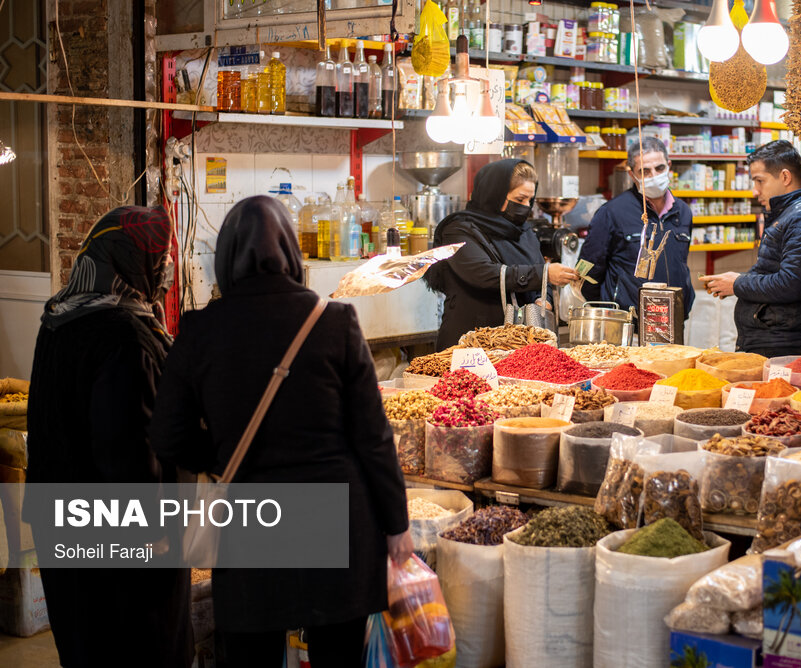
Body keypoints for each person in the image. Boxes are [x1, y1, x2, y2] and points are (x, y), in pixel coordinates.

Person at [149, 196, 413, 668]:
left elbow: (168, 435)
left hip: (254, 517)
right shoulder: (334, 320)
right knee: (338, 656)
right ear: (291, 251)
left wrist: (223, 457)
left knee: (252, 655)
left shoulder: (200, 330)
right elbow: (373, 436)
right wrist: (396, 524)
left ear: (226, 258)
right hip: (337, 516)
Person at [25, 206, 194, 668]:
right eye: (158, 260)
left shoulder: (59, 318)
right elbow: (130, 456)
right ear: (130, 261)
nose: (164, 271)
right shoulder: (125, 338)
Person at [425, 159, 579, 350]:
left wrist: (543, 298)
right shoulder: (458, 230)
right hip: (471, 343)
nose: (526, 206)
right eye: (520, 200)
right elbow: (484, 274)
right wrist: (544, 274)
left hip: (515, 344)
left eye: (530, 200)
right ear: (494, 194)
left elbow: (538, 272)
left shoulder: (523, 232)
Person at [700, 140, 801, 357]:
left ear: (785, 177)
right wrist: (734, 282)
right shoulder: (791, 214)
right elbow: (773, 272)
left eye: (760, 181)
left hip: (783, 345)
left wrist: (737, 284)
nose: (755, 191)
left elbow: (790, 284)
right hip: (772, 339)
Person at [577, 135, 694, 319]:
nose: (654, 176)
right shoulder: (612, 212)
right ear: (632, 175)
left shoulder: (683, 212)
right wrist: (612, 314)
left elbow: (680, 264)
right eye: (644, 171)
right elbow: (586, 274)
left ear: (669, 166)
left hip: (671, 319)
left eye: (659, 168)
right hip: (628, 323)